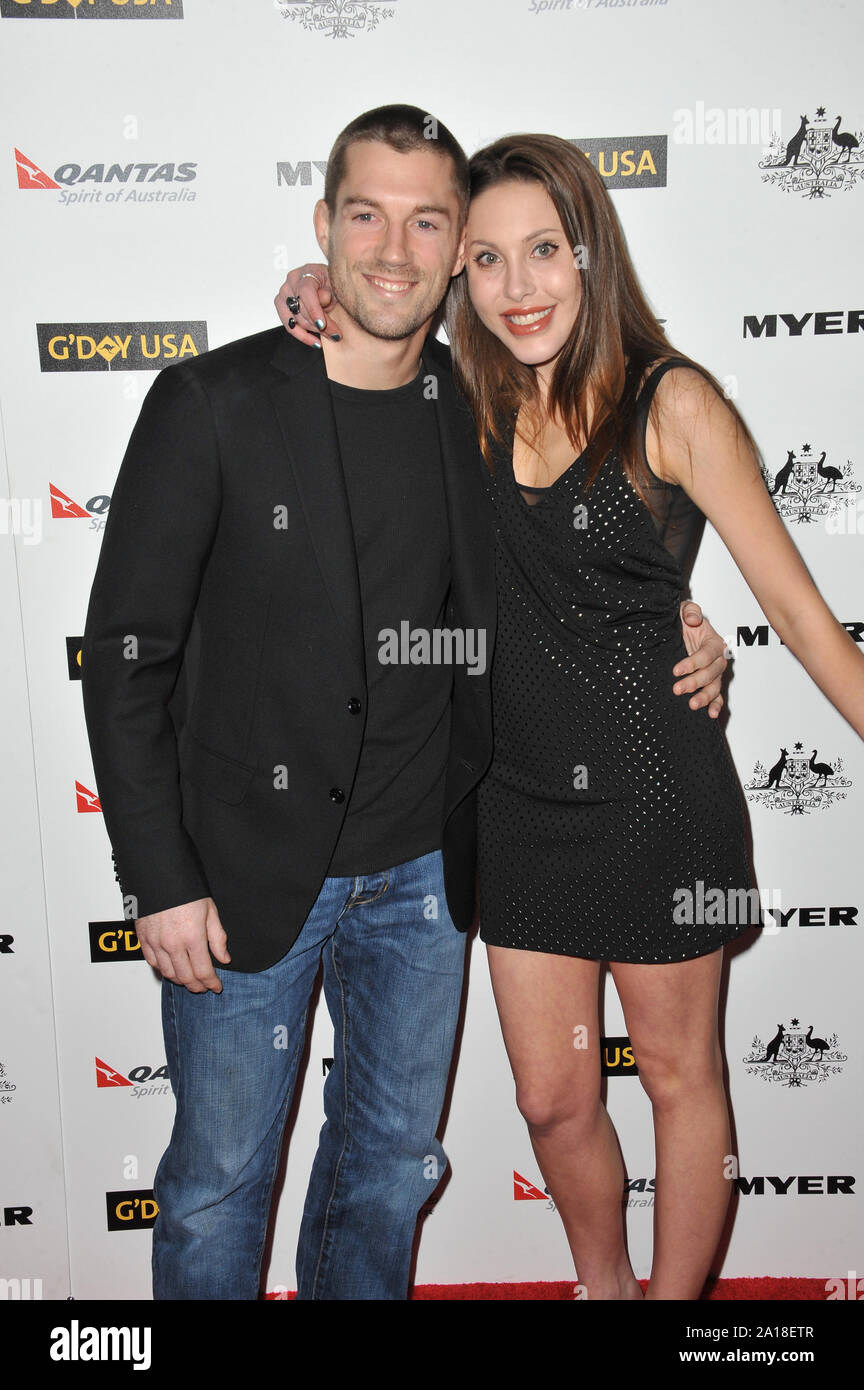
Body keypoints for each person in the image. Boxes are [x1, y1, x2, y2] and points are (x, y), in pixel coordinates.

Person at [81, 106, 728, 1304]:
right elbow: (127, 656)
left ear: (454, 251)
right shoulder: (210, 402)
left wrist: (681, 624)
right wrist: (159, 875)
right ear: (323, 228)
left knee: (384, 1170)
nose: (394, 248)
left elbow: (577, 565)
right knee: (220, 1182)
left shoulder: (474, 413)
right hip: (238, 880)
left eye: (428, 221)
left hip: (427, 883)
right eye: (366, 216)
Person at [276, 131, 864, 1300]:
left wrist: (719, 645)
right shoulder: (462, 396)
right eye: (485, 259)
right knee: (552, 1098)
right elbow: (358, 307)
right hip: (515, 807)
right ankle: (605, 1286)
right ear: (458, 279)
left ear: (590, 249)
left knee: (682, 1080)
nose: (518, 285)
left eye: (543, 250)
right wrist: (306, 288)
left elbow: (800, 618)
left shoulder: (674, 399)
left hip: (657, 797)